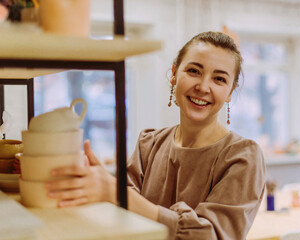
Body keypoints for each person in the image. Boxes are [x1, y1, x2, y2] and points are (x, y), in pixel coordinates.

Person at [45, 31, 266, 240]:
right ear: (174, 75)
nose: (203, 86)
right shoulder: (149, 145)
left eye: (219, 79)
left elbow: (209, 236)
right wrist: (100, 187)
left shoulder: (243, 156)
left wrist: (116, 192)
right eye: (194, 71)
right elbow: (125, 215)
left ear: (230, 92)